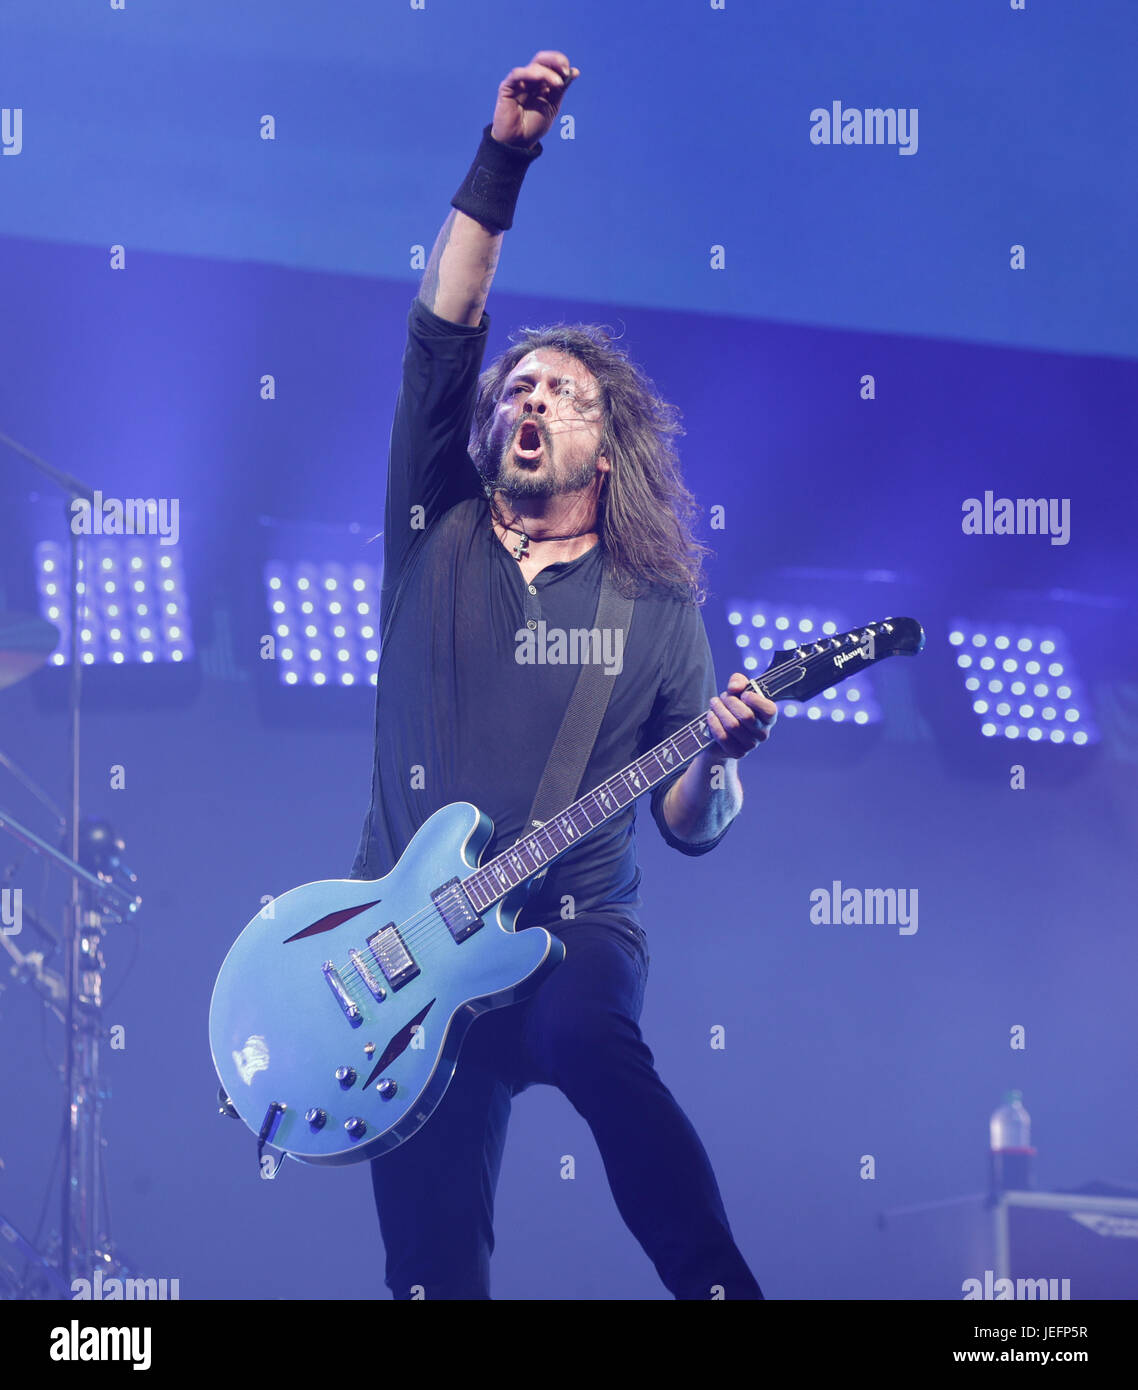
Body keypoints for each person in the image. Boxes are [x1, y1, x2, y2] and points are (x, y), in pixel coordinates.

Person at [351, 51, 776, 1300]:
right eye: (518, 385)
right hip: (408, 940)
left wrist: (715, 761)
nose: (530, 393)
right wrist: (507, 153)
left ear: (608, 443)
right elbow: (445, 322)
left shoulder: (657, 606)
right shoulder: (435, 524)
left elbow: (687, 826)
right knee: (428, 1257)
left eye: (564, 391)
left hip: (571, 928)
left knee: (597, 1040)